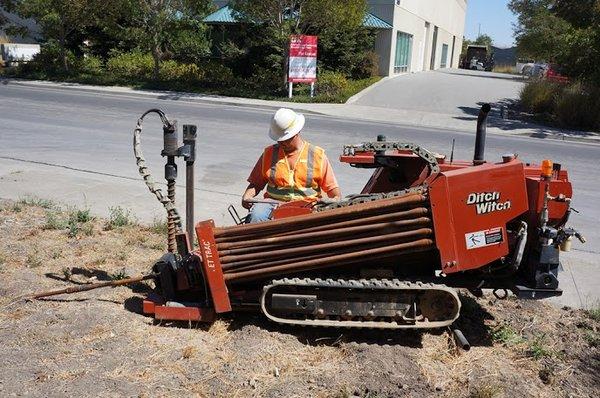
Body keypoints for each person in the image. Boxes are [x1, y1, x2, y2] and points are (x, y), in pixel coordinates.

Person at [242, 108, 341, 223]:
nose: (282, 143)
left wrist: (334, 201)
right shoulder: (269, 154)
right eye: (279, 140)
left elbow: (334, 192)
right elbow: (256, 183)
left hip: (307, 206)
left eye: (286, 139)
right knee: (256, 216)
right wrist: (247, 195)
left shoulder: (317, 155)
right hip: (272, 204)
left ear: (297, 132)